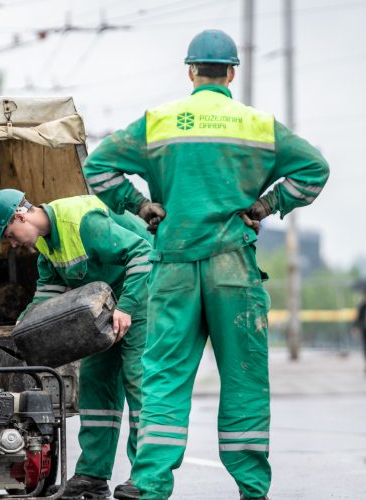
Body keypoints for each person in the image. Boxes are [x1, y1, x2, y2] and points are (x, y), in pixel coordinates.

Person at [82, 29, 330, 500]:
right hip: (234, 268)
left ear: (191, 72)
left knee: (164, 376)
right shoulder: (258, 126)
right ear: (232, 72)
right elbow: (314, 170)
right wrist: (264, 206)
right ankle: (252, 488)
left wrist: (139, 206)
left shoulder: (158, 123)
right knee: (244, 377)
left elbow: (99, 168)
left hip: (174, 267)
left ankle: (151, 483)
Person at [0, 189, 152, 499]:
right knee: (95, 382)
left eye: (9, 234)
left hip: (143, 298)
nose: (12, 243)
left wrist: (128, 306)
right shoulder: (46, 246)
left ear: (20, 216)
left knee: (139, 383)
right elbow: (47, 297)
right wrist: (22, 328)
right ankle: (93, 474)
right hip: (104, 311)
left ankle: (146, 477)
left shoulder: (82, 222)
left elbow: (143, 254)